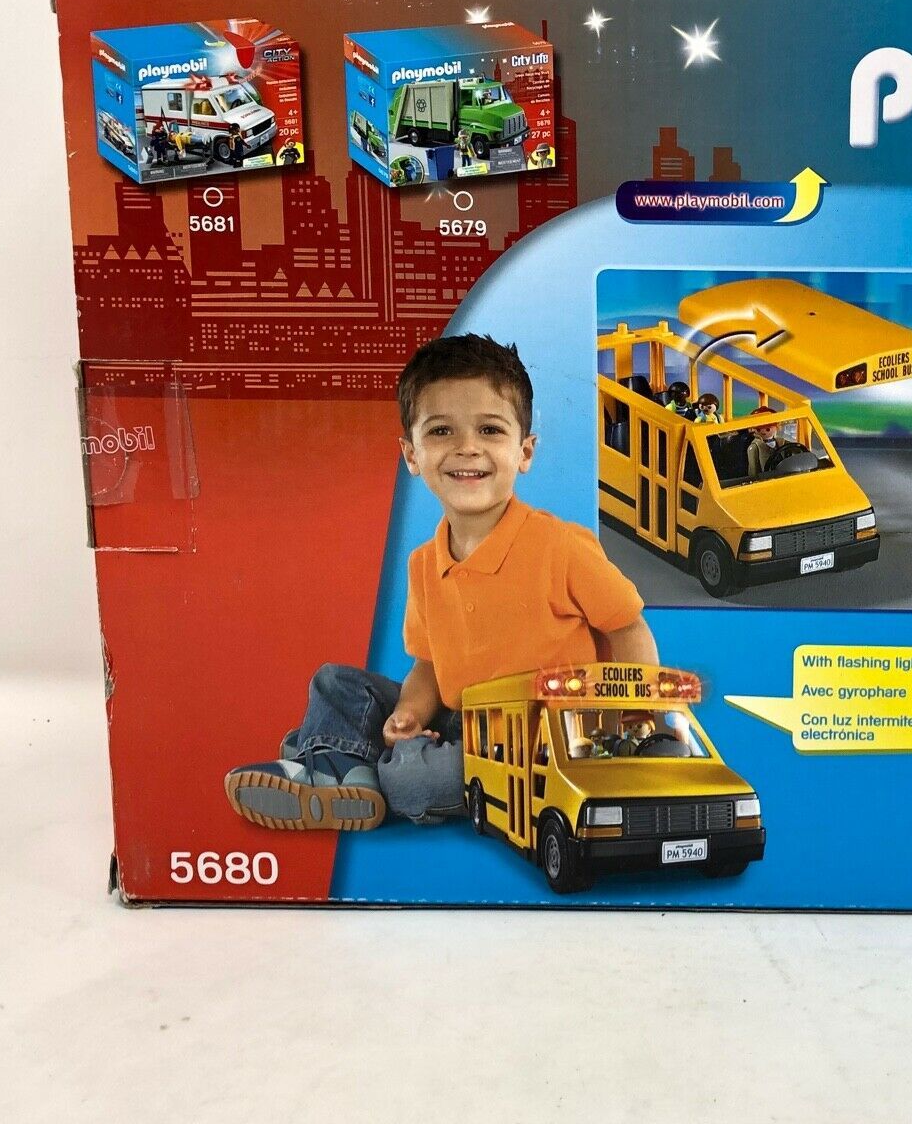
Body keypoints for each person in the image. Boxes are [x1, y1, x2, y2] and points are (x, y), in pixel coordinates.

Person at [223, 334, 658, 830]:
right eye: (442, 431)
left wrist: (634, 721)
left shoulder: (561, 546)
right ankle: (344, 768)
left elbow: (628, 628)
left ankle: (336, 760)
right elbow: (430, 665)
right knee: (334, 681)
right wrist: (409, 713)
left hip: (542, 740)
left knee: (414, 781)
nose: (467, 448)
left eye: (490, 429)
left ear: (524, 451)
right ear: (412, 455)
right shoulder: (423, 564)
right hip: (458, 719)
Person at [745, 405, 783, 479]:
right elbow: (753, 470)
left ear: (777, 427)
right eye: (758, 429)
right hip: (765, 478)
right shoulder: (755, 447)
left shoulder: (782, 442)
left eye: (768, 429)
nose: (763, 432)